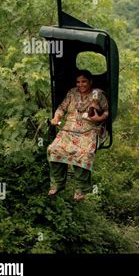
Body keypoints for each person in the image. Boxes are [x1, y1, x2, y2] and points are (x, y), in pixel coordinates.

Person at [47, 70, 109, 201]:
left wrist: (97, 118)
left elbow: (106, 112)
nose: (81, 84)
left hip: (89, 129)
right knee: (53, 149)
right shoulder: (72, 93)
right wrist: (56, 117)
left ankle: (81, 189)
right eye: (78, 82)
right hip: (69, 129)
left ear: (90, 82)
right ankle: (57, 183)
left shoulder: (97, 94)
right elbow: (61, 108)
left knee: (83, 152)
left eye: (84, 81)